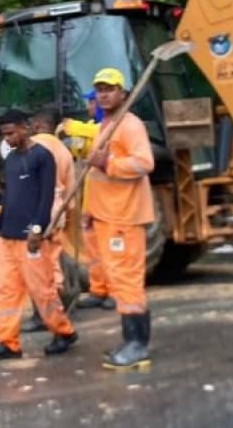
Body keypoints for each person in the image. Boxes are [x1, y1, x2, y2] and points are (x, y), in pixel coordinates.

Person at [0, 109, 79, 361]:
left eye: (11, 133)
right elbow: (10, 197)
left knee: (41, 289)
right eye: (4, 135)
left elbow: (46, 197)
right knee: (5, 290)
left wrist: (38, 228)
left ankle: (64, 332)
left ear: (25, 128)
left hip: (31, 238)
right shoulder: (12, 160)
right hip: (8, 237)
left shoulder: (42, 156)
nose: (8, 139)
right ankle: (8, 343)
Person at [85, 67, 155, 371]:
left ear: (122, 93)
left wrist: (109, 162)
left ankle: (138, 345)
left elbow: (144, 163)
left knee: (127, 280)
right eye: (99, 89)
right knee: (118, 279)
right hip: (108, 215)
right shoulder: (107, 125)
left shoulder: (130, 125)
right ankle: (131, 341)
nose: (103, 94)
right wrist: (90, 210)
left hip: (125, 218)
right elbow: (95, 176)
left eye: (110, 89)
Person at [58, 91, 116, 312]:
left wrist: (71, 126)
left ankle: (114, 291)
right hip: (91, 201)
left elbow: (94, 134)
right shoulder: (93, 128)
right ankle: (99, 289)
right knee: (93, 250)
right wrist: (68, 140)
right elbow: (81, 147)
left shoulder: (111, 127)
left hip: (109, 202)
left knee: (110, 249)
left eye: (91, 102)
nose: (89, 105)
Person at [21, 105, 76, 333]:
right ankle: (59, 309)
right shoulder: (63, 150)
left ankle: (44, 315)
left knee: (38, 266)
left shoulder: (36, 148)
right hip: (58, 210)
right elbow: (71, 190)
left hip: (39, 213)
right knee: (53, 262)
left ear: (37, 125)